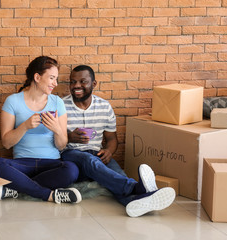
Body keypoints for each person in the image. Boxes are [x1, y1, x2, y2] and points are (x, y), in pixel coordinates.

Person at [60, 65, 175, 217]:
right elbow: (53, 136)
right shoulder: (60, 105)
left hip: (97, 152)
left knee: (118, 175)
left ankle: (136, 203)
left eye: (82, 82)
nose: (76, 86)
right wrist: (69, 137)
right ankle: (137, 188)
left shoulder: (104, 107)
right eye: (73, 82)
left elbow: (112, 139)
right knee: (89, 159)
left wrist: (109, 151)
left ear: (94, 84)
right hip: (70, 154)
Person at [0, 56, 82, 204]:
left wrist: (57, 129)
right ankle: (48, 195)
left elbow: (62, 145)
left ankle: (17, 188)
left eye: (56, 79)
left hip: (51, 164)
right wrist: (24, 126)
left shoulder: (57, 102)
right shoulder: (13, 101)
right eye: (52, 78)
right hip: (21, 164)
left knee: (72, 170)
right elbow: (6, 143)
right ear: (37, 77)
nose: (55, 84)